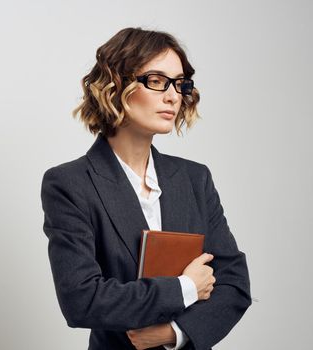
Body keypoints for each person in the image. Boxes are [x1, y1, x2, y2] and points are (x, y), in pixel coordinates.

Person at [40, 27, 251, 350]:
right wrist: (185, 287)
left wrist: (175, 333)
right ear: (115, 85)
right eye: (156, 80)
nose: (173, 96)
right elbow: (81, 299)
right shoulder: (70, 184)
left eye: (180, 84)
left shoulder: (195, 179)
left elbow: (234, 283)